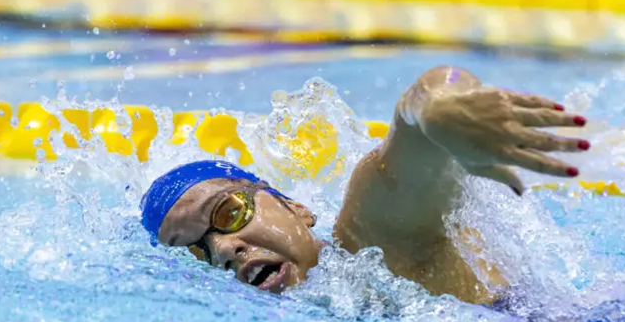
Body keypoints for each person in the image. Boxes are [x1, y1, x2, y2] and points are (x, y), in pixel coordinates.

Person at [141, 66, 590, 307]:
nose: (222, 250)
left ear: (296, 207)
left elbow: (417, 113)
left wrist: (442, 111)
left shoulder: (372, 240)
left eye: (227, 213)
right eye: (195, 250)